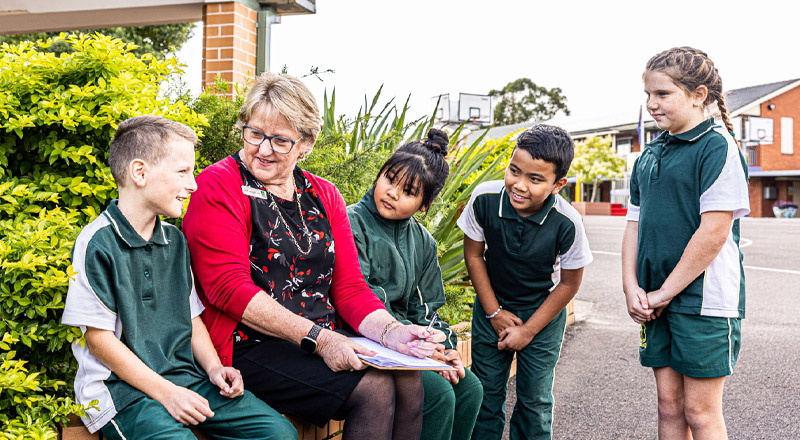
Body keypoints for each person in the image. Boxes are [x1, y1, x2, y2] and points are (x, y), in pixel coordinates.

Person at [182, 72, 445, 440]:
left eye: (280, 140)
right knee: (374, 388)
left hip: (319, 337)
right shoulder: (219, 184)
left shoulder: (324, 194)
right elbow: (229, 289)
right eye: (254, 133)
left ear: (306, 142)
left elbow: (350, 288)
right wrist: (320, 339)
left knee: (407, 380)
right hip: (249, 343)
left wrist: (394, 333)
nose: (263, 148)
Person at [61, 116, 293, 439]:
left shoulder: (175, 240)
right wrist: (166, 394)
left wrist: (214, 368)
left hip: (186, 378)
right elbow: (99, 342)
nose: (193, 184)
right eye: (183, 172)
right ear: (140, 173)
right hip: (123, 394)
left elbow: (192, 318)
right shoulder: (97, 242)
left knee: (278, 433)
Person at [622, 46, 749, 440]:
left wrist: (664, 292)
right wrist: (632, 288)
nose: (651, 104)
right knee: (669, 407)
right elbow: (633, 226)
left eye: (662, 94)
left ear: (698, 95)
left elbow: (714, 232)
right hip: (655, 299)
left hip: (704, 302)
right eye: (648, 95)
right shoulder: (651, 152)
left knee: (700, 412)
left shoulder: (717, 146)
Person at [457, 125, 593, 440]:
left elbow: (569, 285)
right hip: (493, 305)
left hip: (542, 314)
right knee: (485, 394)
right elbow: (475, 256)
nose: (519, 185)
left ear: (558, 184)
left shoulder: (567, 222)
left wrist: (528, 330)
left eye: (535, 179)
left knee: (534, 401)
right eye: (514, 171)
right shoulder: (485, 199)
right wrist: (493, 312)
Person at [347, 128, 484, 440]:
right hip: (368, 337)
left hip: (410, 345)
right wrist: (421, 350)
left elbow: (427, 309)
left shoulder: (421, 240)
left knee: (469, 389)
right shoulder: (353, 221)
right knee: (438, 395)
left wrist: (444, 347)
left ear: (425, 204)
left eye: (408, 191)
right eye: (390, 179)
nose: (393, 192)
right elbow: (361, 296)